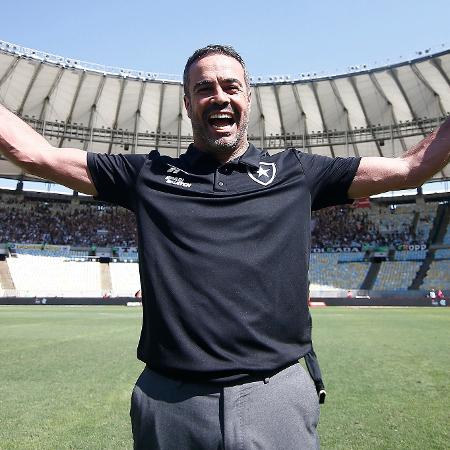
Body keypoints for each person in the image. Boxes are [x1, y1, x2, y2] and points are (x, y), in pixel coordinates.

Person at [1, 44, 449, 450]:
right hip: (171, 401)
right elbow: (32, 154)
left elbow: (413, 168)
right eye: (204, 88)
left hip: (277, 395)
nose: (219, 96)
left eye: (231, 86)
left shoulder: (297, 172)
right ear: (187, 102)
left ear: (248, 99)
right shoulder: (147, 175)